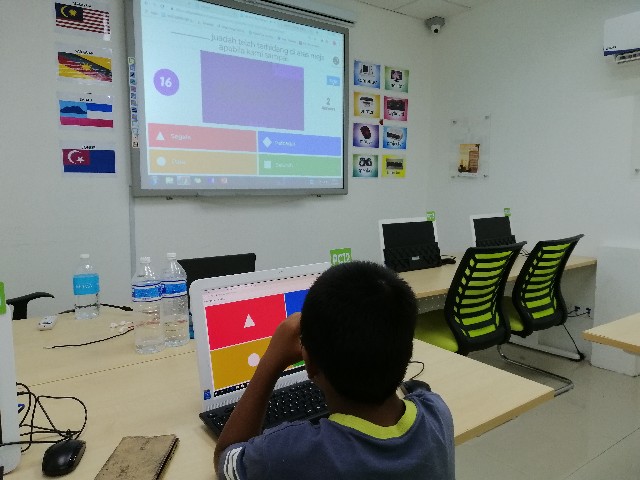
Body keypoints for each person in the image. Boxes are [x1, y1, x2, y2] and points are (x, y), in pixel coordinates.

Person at [214, 261, 455, 479]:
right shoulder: (437, 413)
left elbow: (227, 457)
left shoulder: (287, 454)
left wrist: (272, 360)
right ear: (408, 351)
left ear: (310, 364)